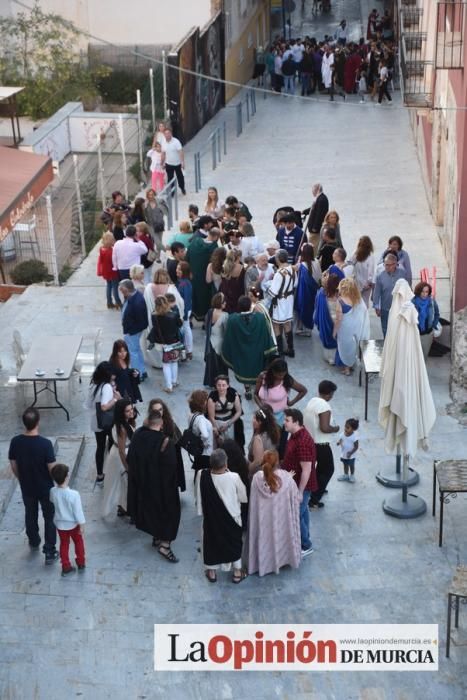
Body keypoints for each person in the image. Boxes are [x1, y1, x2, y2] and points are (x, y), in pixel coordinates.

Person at [127, 410, 181, 562]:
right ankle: (165, 545)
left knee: (151, 511)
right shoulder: (165, 442)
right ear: (161, 424)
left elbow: (130, 458)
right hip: (162, 487)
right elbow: (171, 469)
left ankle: (157, 536)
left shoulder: (137, 436)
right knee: (169, 514)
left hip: (143, 485)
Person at [9, 408, 57, 564]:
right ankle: (49, 551)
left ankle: (34, 540)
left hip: (27, 485)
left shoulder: (15, 442)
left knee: (30, 513)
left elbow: (13, 464)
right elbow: (52, 468)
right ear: (38, 422)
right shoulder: (45, 444)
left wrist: (21, 478)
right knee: (49, 518)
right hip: (45, 487)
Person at [196, 448, 248, 583]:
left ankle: (212, 572)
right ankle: (237, 572)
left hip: (211, 518)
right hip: (232, 518)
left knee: (210, 543)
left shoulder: (202, 474)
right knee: (234, 543)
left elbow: (199, 496)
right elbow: (243, 497)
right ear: (226, 464)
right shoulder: (234, 477)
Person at [246, 449, 301, 576]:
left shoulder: (256, 478)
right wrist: (289, 478)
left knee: (264, 539)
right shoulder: (286, 478)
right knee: (279, 537)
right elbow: (296, 498)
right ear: (277, 462)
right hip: (280, 521)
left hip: (262, 521)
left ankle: (263, 564)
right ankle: (281, 560)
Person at [222, 295, 277, 400]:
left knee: (244, 370)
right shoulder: (260, 318)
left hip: (241, 353)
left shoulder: (233, 319)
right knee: (258, 370)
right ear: (250, 305)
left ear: (239, 306)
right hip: (257, 352)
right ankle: (258, 390)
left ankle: (247, 389)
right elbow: (267, 334)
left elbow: (229, 337)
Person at [255, 358, 307, 456]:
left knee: (277, 446)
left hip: (280, 417)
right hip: (263, 415)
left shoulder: (287, 380)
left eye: (283, 374)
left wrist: (291, 403)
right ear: (272, 371)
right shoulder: (262, 377)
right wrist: (261, 406)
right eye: (279, 374)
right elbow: (255, 395)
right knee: (261, 443)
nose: (281, 377)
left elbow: (303, 390)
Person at [281, 409, 316, 558]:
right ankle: (305, 538)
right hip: (295, 483)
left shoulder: (302, 441)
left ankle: (306, 545)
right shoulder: (295, 434)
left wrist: (300, 492)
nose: (284, 422)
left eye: (287, 420)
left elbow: (307, 469)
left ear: (296, 422)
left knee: (296, 514)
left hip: (301, 486)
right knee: (303, 512)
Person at [304, 380, 339, 509]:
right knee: (328, 469)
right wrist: (335, 428)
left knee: (320, 468)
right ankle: (314, 499)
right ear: (329, 394)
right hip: (321, 443)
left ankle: (318, 487)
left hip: (310, 441)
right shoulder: (324, 406)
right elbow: (324, 428)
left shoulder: (312, 401)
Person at [86, 362, 121, 486]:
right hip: (108, 422)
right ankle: (112, 472)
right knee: (112, 446)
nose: (114, 375)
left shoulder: (94, 384)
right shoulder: (106, 387)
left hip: (96, 421)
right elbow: (104, 407)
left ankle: (100, 475)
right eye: (112, 373)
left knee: (100, 447)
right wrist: (116, 398)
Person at [49, 464, 86, 576]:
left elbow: (52, 501)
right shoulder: (74, 494)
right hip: (73, 524)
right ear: (66, 477)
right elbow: (78, 511)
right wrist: (82, 524)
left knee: (64, 544)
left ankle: (65, 566)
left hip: (60, 524)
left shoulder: (52, 491)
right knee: (78, 542)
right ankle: (80, 562)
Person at [102, 399, 136, 518]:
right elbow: (122, 451)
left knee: (122, 484)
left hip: (117, 453)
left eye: (131, 409)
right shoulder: (122, 428)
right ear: (121, 413)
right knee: (125, 483)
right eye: (127, 411)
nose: (131, 412)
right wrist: (127, 467)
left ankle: (123, 507)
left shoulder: (122, 422)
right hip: (120, 457)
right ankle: (126, 509)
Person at [147, 398, 186, 492]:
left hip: (171, 456)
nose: (159, 412)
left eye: (160, 409)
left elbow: (178, 439)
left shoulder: (170, 423)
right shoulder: (149, 424)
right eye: (156, 410)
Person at [334, 278, 370, 376]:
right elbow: (364, 313)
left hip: (345, 329)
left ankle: (347, 368)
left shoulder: (340, 301)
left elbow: (338, 320)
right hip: (357, 328)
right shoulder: (359, 299)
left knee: (345, 346)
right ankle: (352, 364)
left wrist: (334, 332)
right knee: (353, 346)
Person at [148, 295, 182, 394]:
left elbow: (155, 328)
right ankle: (174, 381)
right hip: (174, 341)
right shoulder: (174, 314)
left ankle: (169, 386)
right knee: (174, 361)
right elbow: (179, 325)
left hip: (161, 343)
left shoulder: (154, 315)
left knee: (166, 364)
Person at [268, 249, 297, 358]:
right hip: (289, 300)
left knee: (276, 324)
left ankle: (280, 351)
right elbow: (295, 284)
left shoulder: (279, 274)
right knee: (287, 323)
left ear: (278, 259)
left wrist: (267, 286)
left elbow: (273, 292)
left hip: (280, 302)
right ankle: (290, 349)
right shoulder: (293, 269)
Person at [187, 227, 220, 321]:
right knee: (205, 299)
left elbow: (187, 257)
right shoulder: (214, 247)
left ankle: (191, 316)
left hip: (193, 276)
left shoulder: (194, 242)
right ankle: (206, 319)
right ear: (216, 237)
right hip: (206, 279)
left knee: (193, 296)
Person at [119, 279, 148, 380]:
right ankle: (142, 371)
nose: (120, 290)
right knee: (136, 350)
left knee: (133, 353)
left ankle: (137, 375)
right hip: (133, 330)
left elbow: (140, 320)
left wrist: (130, 331)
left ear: (127, 289)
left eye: (122, 289)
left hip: (132, 331)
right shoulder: (132, 296)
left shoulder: (136, 302)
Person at [373, 253, 407, 337]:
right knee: (386, 329)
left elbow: (407, 289)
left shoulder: (402, 273)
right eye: (385, 264)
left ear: (395, 264)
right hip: (385, 308)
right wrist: (377, 306)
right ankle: (387, 347)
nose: (386, 267)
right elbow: (377, 292)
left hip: (399, 308)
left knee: (398, 330)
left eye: (388, 265)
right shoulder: (380, 276)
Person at [207, 375, 244, 448]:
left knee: (230, 445)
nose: (221, 388)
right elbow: (211, 416)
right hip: (217, 423)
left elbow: (239, 411)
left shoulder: (233, 394)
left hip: (230, 423)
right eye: (219, 385)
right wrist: (217, 430)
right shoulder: (212, 397)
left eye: (223, 385)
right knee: (217, 445)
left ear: (228, 385)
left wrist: (228, 424)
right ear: (216, 386)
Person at [203, 292, 229, 387]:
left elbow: (206, 326)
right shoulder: (225, 315)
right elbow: (226, 332)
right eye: (224, 302)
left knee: (211, 365)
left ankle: (211, 382)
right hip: (220, 343)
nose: (225, 303)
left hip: (210, 342)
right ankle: (221, 384)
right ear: (220, 303)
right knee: (221, 366)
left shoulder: (210, 312)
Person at [294, 243, 321, 335]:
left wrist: (298, 260)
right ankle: (307, 328)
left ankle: (302, 328)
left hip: (303, 292)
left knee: (302, 307)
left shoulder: (302, 265)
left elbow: (293, 269)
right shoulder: (316, 262)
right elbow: (319, 277)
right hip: (313, 291)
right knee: (309, 308)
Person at [314, 272, 340, 364]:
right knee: (337, 338)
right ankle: (337, 357)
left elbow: (317, 307)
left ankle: (330, 358)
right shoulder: (340, 294)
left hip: (326, 320)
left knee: (328, 338)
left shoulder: (322, 293)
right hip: (338, 320)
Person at [248, 408, 281, 477]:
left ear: (261, 423)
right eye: (253, 418)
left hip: (261, 473)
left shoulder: (258, 438)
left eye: (256, 419)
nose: (253, 421)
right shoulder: (272, 432)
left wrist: (248, 469)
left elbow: (258, 462)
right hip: (272, 468)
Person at [412, 281, 440, 359]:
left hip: (427, 333)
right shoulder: (412, 302)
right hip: (415, 333)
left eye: (426, 292)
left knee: (424, 356)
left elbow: (437, 314)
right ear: (418, 291)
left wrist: (433, 325)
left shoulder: (431, 302)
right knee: (415, 357)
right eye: (422, 292)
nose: (424, 294)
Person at [187, 389, 214, 473]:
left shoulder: (191, 415)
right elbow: (205, 435)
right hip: (206, 453)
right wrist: (205, 443)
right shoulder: (201, 419)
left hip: (197, 452)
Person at [349, 235, 375, 307]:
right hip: (362, 283)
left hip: (360, 283)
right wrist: (368, 282)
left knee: (359, 303)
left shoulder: (367, 256)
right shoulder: (368, 256)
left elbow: (349, 263)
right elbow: (371, 271)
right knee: (362, 303)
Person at [97, 232, 121, 309]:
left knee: (108, 286)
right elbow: (115, 261)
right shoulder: (111, 251)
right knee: (115, 288)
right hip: (112, 271)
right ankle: (118, 302)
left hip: (105, 271)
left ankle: (109, 302)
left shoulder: (101, 249)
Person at [303, 183, 329, 252]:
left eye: (313, 190)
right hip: (314, 229)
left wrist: (315, 228)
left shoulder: (321, 199)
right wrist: (304, 211)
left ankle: (312, 259)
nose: (312, 192)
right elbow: (313, 208)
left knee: (313, 246)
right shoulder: (320, 198)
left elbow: (319, 215)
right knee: (312, 244)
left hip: (315, 230)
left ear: (317, 189)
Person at [176, 261, 193, 360]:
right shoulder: (183, 282)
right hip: (185, 310)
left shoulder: (184, 283)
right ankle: (187, 350)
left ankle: (188, 351)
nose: (177, 270)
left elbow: (186, 300)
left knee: (185, 330)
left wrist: (185, 314)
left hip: (184, 310)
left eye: (179, 269)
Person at [219, 249, 245, 313]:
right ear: (238, 257)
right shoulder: (241, 268)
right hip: (237, 293)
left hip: (225, 292)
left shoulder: (224, 266)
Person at [161, 127, 185, 195]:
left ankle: (182, 188)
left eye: (168, 133)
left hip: (177, 163)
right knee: (170, 178)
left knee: (180, 177)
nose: (167, 135)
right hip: (168, 163)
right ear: (164, 135)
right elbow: (163, 153)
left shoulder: (176, 141)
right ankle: (172, 192)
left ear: (171, 134)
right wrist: (162, 163)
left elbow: (180, 152)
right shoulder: (163, 143)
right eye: (165, 134)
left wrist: (182, 162)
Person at [144, 189, 165, 259]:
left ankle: (158, 257)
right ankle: (167, 249)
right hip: (150, 225)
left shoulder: (159, 202)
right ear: (147, 195)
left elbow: (164, 211)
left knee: (159, 240)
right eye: (149, 195)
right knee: (157, 241)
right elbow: (144, 214)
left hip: (159, 224)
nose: (151, 196)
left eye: (152, 194)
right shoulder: (145, 204)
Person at [337, 418, 360, 483]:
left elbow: (356, 447)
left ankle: (352, 475)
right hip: (344, 454)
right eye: (345, 427)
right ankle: (346, 475)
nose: (345, 429)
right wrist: (339, 442)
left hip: (351, 456)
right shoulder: (343, 433)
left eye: (347, 427)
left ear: (353, 429)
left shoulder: (354, 436)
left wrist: (351, 453)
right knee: (345, 465)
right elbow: (341, 438)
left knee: (351, 465)